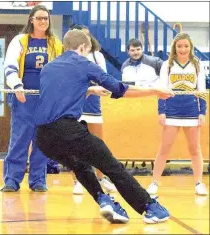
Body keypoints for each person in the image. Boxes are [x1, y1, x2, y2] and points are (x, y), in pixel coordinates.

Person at [35, 29, 173, 224]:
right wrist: (153, 90)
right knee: (112, 167)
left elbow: (57, 94)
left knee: (80, 166)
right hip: (67, 130)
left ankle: (104, 199)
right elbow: (119, 89)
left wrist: (88, 89)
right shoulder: (84, 63)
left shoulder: (48, 68)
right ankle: (149, 207)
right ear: (82, 47)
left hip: (42, 136)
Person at [1, 4, 63, 192]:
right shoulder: (20, 40)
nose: (43, 21)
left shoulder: (55, 43)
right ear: (31, 20)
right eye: (39, 18)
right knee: (20, 139)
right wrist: (16, 85)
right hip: (24, 98)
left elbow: (61, 70)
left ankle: (38, 180)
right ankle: (12, 180)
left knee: (42, 141)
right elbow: (9, 65)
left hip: (46, 100)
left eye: (46, 18)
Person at [147, 32, 208, 196]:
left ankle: (199, 183)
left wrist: (202, 112)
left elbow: (202, 90)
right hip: (172, 112)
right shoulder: (167, 65)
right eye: (179, 46)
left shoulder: (197, 64)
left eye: (186, 46)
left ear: (191, 47)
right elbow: (161, 90)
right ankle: (154, 182)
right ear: (174, 47)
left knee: (195, 149)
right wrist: (162, 111)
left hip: (192, 111)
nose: (183, 49)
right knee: (164, 149)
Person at [69, 24, 117, 195]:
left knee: (98, 144)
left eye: (87, 36)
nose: (85, 39)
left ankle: (101, 178)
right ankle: (77, 181)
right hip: (75, 103)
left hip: (93, 104)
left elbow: (102, 78)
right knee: (75, 145)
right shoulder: (68, 56)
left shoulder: (97, 56)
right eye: (81, 36)